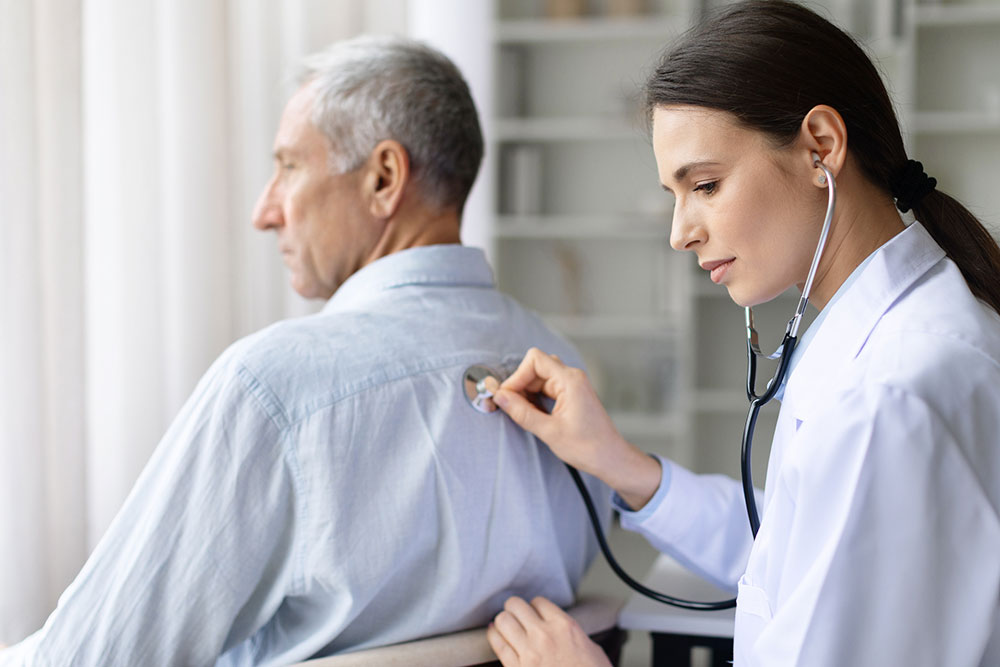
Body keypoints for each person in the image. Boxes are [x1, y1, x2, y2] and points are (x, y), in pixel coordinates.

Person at [0, 36, 610, 666]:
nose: (267, 211)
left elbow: (96, 656)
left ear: (383, 178)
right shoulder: (566, 377)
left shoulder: (275, 388)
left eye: (289, 166)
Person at [484, 1, 1000, 665]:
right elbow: (790, 551)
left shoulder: (887, 395)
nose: (680, 232)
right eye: (676, 194)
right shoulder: (903, 330)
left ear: (821, 147)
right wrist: (616, 461)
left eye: (705, 184)